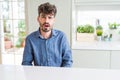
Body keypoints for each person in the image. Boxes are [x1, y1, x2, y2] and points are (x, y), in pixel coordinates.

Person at [22, 2, 73, 67]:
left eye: (50, 17)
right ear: (38, 19)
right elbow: (26, 63)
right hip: (38, 76)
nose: (46, 21)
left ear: (54, 20)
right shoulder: (30, 39)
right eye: (43, 17)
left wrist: (61, 76)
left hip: (59, 76)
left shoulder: (61, 37)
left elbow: (68, 60)